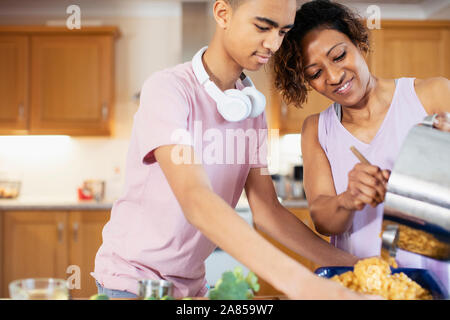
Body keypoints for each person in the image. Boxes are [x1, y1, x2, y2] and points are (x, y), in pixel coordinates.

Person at [91, 0, 368, 300]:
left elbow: (268, 212)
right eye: (263, 27)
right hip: (133, 283)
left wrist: (356, 267)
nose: (273, 44)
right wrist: (301, 283)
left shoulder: (252, 110)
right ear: (223, 14)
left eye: (282, 32)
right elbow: (196, 200)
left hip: (192, 285)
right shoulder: (168, 90)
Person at [273, 0, 450, 291]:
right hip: (361, 284)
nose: (334, 77)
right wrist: (348, 199)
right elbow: (323, 219)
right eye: (315, 73)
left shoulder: (431, 95)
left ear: (357, 42)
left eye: (339, 55)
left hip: (435, 277)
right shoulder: (317, 129)